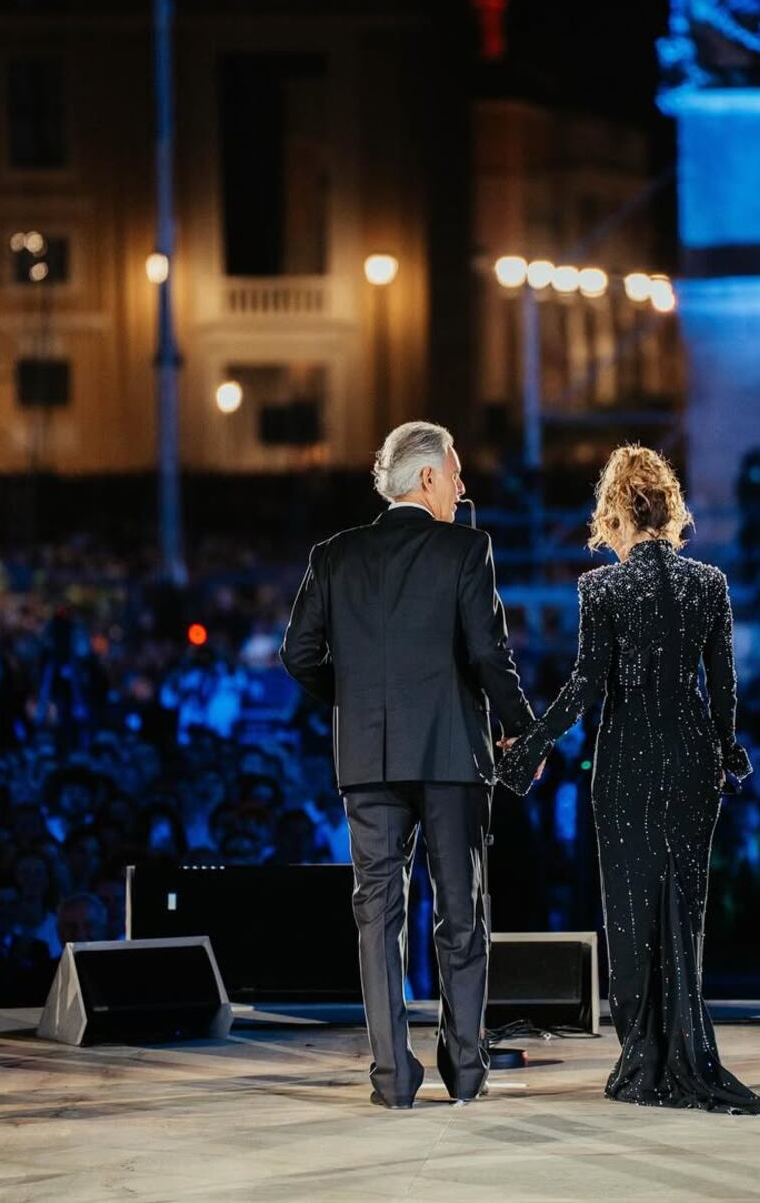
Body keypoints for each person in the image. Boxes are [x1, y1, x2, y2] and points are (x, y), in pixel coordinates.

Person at [498, 444, 760, 1115]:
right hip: (692, 757)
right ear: (672, 510)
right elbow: (723, 687)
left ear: (615, 513)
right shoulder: (710, 584)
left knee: (632, 910)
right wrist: (727, 749)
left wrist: (529, 744)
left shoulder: (601, 588)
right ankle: (684, 1049)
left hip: (626, 763)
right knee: (685, 910)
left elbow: (587, 685)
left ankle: (644, 1055)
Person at [280, 420, 534, 1109]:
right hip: (451, 754)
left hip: (366, 757)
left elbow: (297, 654)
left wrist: (358, 699)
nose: (462, 485)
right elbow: (488, 654)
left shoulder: (334, 555)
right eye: (455, 472)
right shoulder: (466, 547)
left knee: (377, 917)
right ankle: (466, 1070)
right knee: (460, 914)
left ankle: (392, 1078)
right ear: (427, 476)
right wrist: (525, 731)